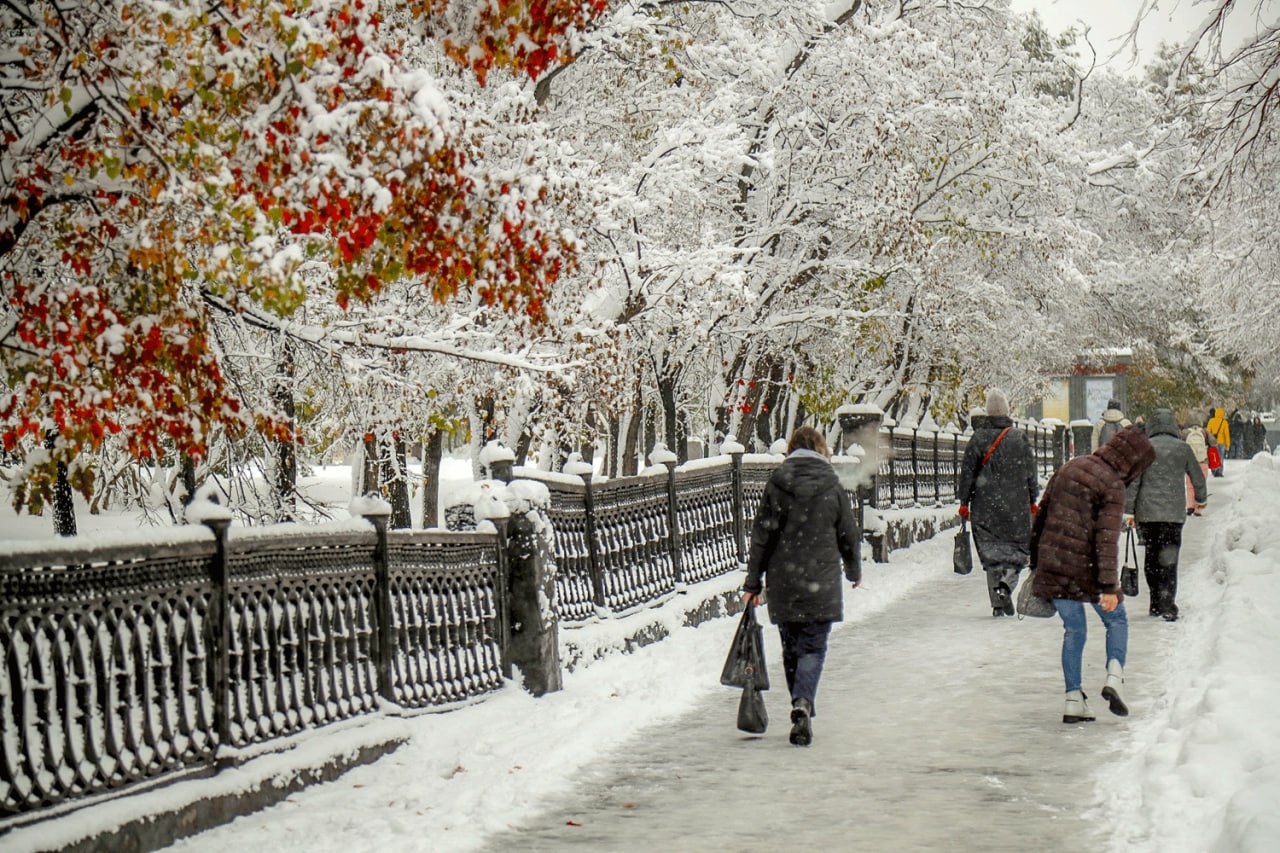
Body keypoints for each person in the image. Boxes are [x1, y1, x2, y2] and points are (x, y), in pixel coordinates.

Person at [742, 425, 862, 747]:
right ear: (821, 450)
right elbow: (848, 533)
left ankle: (800, 700)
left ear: (791, 449)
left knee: (791, 647)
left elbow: (762, 536)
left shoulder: (777, 483)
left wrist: (753, 582)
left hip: (784, 581)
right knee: (813, 647)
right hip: (821, 581)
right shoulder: (832, 484)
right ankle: (803, 701)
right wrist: (853, 570)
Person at [1031, 426, 1155, 724]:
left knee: (1074, 631)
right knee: (1117, 620)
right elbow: (1106, 540)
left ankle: (1073, 699)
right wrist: (1109, 587)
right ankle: (1114, 676)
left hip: (1055, 564)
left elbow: (1041, 515)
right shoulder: (1113, 485)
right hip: (1088, 570)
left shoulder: (1071, 466)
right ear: (1132, 463)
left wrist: (1036, 560)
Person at [957, 389, 1039, 617]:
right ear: (1006, 411)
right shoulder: (1019, 438)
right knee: (1017, 550)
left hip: (985, 506)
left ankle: (997, 603)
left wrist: (964, 501)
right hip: (1016, 505)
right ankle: (1007, 585)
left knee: (992, 553)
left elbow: (967, 473)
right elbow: (1030, 472)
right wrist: (1033, 498)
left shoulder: (978, 438)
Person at [1126, 409, 1206, 621]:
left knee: (1151, 556)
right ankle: (1168, 603)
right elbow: (1197, 476)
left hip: (1147, 514)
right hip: (1173, 514)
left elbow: (1134, 482)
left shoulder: (1144, 448)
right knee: (1170, 558)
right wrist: (1201, 498)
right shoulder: (1183, 448)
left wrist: (1129, 510)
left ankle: (1155, 602)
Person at [1183, 421, 1209, 516]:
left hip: (1190, 463)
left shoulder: (1186, 433)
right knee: (1201, 485)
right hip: (1203, 462)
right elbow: (1214, 443)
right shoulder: (1204, 432)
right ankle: (1198, 508)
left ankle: (1190, 506)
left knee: (1190, 485)